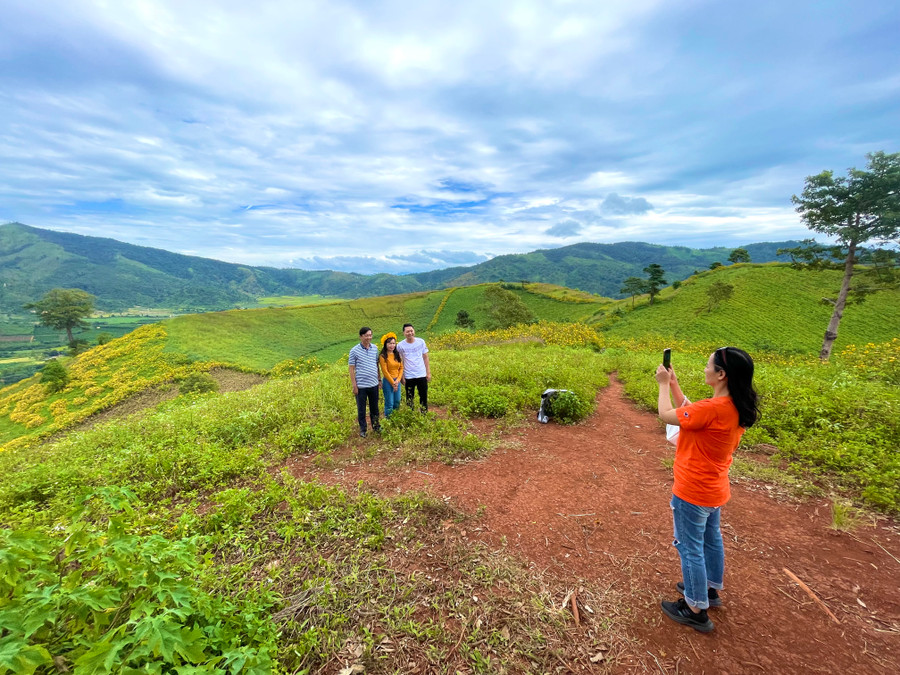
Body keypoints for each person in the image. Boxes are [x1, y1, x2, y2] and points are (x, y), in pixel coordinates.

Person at [654, 347, 760, 633]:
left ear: (721, 374)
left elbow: (667, 414)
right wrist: (675, 384)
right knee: (711, 540)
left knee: (690, 548)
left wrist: (663, 385)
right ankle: (710, 590)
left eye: (708, 365)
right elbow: (690, 411)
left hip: (692, 491)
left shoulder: (711, 409)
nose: (704, 369)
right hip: (715, 489)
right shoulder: (735, 407)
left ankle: (695, 607)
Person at [348, 326, 381, 437]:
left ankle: (376, 426)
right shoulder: (354, 351)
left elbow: (377, 364)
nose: (369, 337)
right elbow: (351, 368)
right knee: (361, 409)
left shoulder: (375, 348)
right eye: (366, 335)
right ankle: (363, 429)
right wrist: (354, 385)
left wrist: (379, 379)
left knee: (375, 408)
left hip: (374, 384)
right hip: (361, 385)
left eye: (370, 335)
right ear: (361, 336)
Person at [396, 323, 431, 412]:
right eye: (407, 331)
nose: (410, 333)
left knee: (423, 396)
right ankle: (411, 414)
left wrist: (428, 372)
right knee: (409, 397)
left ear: (414, 331)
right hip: (409, 375)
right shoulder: (400, 345)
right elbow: (400, 362)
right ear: (404, 333)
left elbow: (425, 357)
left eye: (411, 331)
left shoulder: (421, 342)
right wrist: (402, 376)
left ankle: (424, 414)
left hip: (421, 374)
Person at [378, 332, 403, 418]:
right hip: (388, 381)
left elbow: (401, 368)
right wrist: (393, 383)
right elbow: (385, 371)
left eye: (393, 343)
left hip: (397, 381)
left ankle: (395, 419)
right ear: (385, 344)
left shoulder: (397, 354)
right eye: (389, 343)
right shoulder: (383, 356)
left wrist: (398, 380)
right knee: (389, 403)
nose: (392, 345)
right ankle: (388, 420)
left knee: (397, 401)